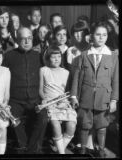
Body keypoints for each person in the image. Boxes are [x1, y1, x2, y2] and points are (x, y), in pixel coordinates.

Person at [70, 21, 119, 157]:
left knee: (102, 124)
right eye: (98, 34)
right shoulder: (84, 55)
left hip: (104, 97)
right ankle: (83, 149)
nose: (101, 37)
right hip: (86, 96)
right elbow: (77, 77)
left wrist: (114, 99)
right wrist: (74, 96)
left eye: (104, 35)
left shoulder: (113, 56)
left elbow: (115, 79)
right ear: (91, 36)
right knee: (85, 123)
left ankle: (101, 148)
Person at [3, 27, 48, 154]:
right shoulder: (8, 56)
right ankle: (23, 146)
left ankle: (31, 150)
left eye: (29, 38)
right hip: (15, 100)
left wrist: (44, 99)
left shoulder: (39, 56)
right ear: (17, 40)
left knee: (44, 117)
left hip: (35, 100)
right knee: (14, 120)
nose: (27, 42)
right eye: (23, 39)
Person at [39, 44, 77, 154]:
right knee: (56, 125)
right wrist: (44, 99)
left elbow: (67, 92)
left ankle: (58, 148)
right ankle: (61, 152)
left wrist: (65, 102)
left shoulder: (66, 72)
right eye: (53, 57)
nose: (57, 59)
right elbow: (40, 90)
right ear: (48, 58)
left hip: (63, 103)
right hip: (49, 103)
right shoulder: (43, 70)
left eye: (59, 56)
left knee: (72, 125)